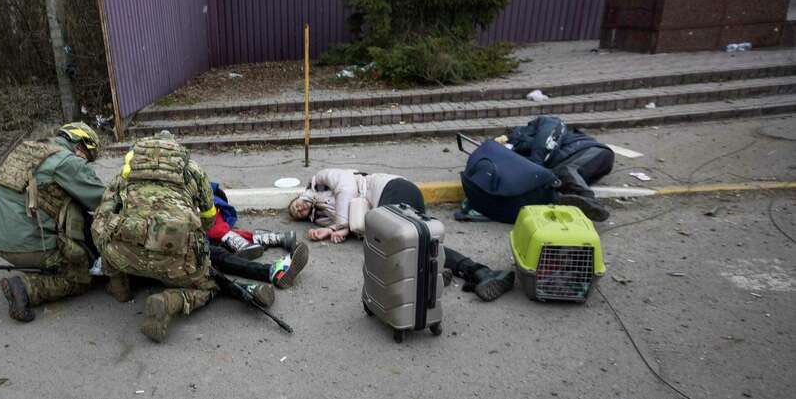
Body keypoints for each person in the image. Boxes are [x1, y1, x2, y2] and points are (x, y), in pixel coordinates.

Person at [92, 133, 280, 342]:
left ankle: (119, 288)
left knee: (107, 232)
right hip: (176, 264)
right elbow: (209, 220)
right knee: (211, 286)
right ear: (175, 151)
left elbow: (103, 215)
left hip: (126, 258)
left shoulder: (123, 174)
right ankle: (171, 300)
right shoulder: (193, 171)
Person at [289, 168, 513, 301]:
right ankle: (475, 272)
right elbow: (354, 221)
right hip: (383, 209)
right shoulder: (320, 216)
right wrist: (334, 229)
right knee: (415, 245)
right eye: (296, 214)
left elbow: (346, 187)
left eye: (295, 205)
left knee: (400, 242)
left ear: (300, 196)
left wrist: (337, 228)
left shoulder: (320, 179)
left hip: (392, 189)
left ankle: (443, 274)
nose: (297, 209)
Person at [0, 122, 106, 323]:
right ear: (81, 145)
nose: (86, 161)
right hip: (26, 247)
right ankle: (26, 288)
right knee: (82, 277)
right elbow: (99, 199)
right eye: (88, 156)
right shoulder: (67, 162)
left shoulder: (29, 150)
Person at [505, 116, 614, 221]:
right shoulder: (517, 150)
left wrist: (536, 165)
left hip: (591, 151)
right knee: (555, 181)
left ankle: (591, 202)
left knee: (565, 171)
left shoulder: (544, 121)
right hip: (575, 168)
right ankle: (572, 200)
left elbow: (547, 137)